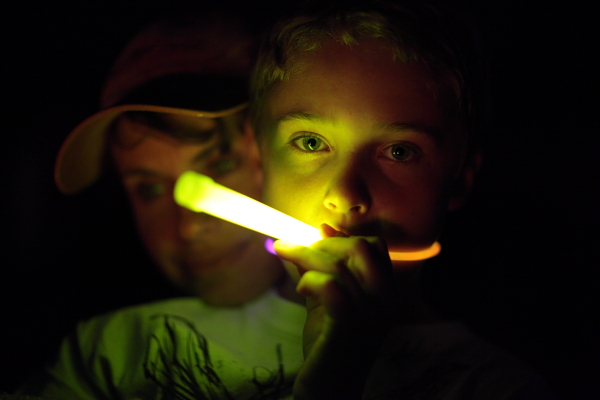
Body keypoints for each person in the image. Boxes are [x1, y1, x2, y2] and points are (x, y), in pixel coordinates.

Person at [248, 1, 555, 399]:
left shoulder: (495, 387)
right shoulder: (146, 337)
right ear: (258, 159)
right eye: (310, 143)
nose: (344, 196)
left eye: (399, 152)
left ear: (459, 180)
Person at [19, 12, 305, 400]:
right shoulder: (105, 357)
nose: (188, 227)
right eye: (149, 190)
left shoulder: (400, 338)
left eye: (220, 166)